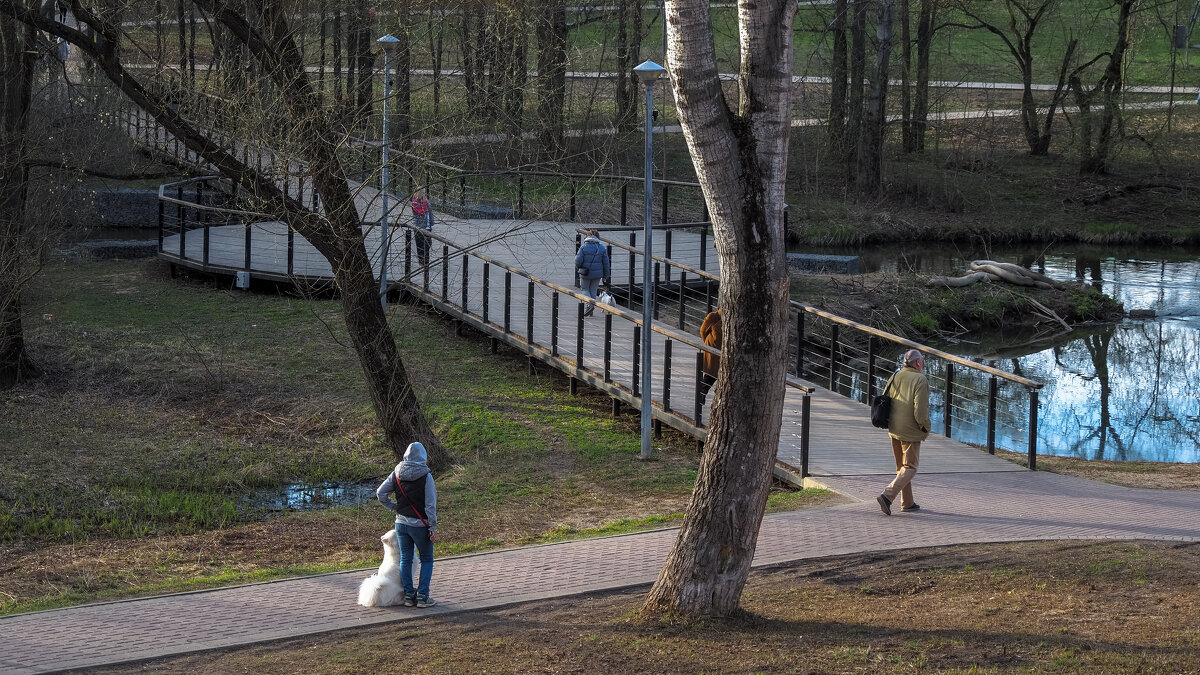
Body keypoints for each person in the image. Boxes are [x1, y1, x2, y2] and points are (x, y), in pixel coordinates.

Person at [376, 441, 439, 607]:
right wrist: (432, 527)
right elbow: (430, 505)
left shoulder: (396, 473)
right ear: (423, 456)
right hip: (420, 525)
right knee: (427, 559)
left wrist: (395, 507)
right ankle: (423, 596)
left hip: (401, 524)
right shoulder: (426, 476)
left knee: (405, 558)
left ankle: (409, 596)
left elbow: (380, 493)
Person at [877, 349, 931, 516]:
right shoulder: (920, 379)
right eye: (922, 360)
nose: (922, 363)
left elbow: (886, 398)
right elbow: (920, 411)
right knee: (910, 467)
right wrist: (925, 426)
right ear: (918, 363)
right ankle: (887, 495)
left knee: (902, 467)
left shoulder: (896, 375)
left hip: (894, 427)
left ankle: (907, 502)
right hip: (910, 430)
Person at [574, 229, 610, 317]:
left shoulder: (583, 247)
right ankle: (591, 309)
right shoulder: (602, 248)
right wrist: (605, 275)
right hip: (597, 274)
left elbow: (578, 260)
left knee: (585, 289)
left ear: (587, 236)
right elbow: (606, 263)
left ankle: (589, 305)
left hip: (585, 273)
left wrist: (579, 268)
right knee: (593, 290)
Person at [698, 309, 722, 399]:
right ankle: (701, 397)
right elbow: (703, 331)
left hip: (721, 351)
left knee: (712, 375)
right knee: (711, 375)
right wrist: (708, 343)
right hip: (712, 349)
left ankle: (701, 396)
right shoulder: (713, 316)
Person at [411, 188, 432, 267]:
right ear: (418, 193)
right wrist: (424, 202)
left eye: (425, 192)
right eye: (422, 192)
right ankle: (421, 261)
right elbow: (422, 212)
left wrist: (431, 222)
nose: (424, 194)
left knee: (428, 243)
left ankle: (426, 261)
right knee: (420, 244)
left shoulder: (427, 201)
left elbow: (430, 212)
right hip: (419, 226)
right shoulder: (415, 203)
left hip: (427, 226)